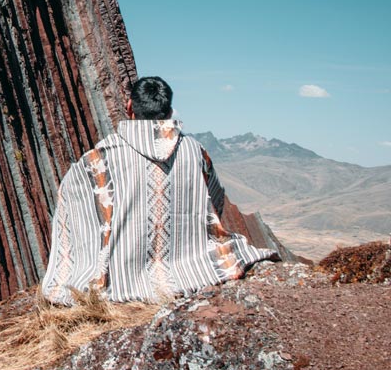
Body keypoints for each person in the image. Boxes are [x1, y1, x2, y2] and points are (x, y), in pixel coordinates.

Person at [41, 76, 278, 304]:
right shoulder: (195, 151)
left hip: (121, 274)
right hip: (192, 267)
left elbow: (71, 210)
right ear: (168, 111)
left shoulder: (98, 158)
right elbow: (214, 202)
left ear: (130, 106)